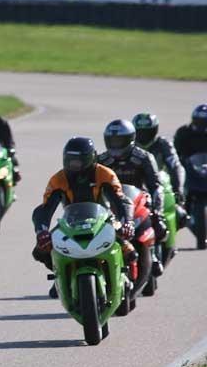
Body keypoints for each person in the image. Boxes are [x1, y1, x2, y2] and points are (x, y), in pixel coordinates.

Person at [32, 137, 136, 298]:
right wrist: (41, 231)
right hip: (70, 222)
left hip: (105, 219)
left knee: (129, 250)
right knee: (40, 250)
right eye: (70, 160)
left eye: (78, 161)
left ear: (90, 158)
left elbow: (121, 200)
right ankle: (61, 274)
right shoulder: (58, 179)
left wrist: (127, 222)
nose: (74, 165)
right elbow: (45, 209)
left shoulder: (105, 174)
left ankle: (123, 277)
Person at [98, 119, 167, 276]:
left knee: (158, 223)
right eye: (112, 141)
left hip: (140, 200)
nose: (115, 145)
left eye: (119, 141)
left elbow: (155, 185)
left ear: (130, 139)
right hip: (111, 203)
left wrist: (158, 209)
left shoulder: (143, 157)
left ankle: (154, 254)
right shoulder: (101, 161)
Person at [133, 112, 189, 229]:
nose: (143, 135)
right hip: (135, 187)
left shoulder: (163, 144)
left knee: (179, 214)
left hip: (161, 186)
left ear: (155, 130)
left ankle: (169, 244)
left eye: (147, 131)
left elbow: (176, 166)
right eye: (140, 131)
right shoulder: (129, 146)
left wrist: (178, 190)